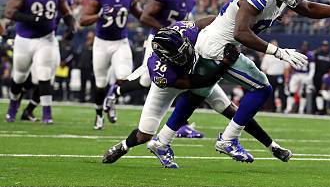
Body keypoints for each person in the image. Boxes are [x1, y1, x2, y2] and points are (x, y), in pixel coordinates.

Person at [193, 0, 330, 162]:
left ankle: (162, 140)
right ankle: (228, 139)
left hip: (221, 45)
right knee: (261, 88)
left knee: (197, 93)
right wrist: (279, 52)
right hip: (218, 46)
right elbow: (240, 32)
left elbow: (308, 8)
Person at [102, 19, 291, 168]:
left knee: (234, 112)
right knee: (145, 135)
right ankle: (122, 147)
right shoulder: (161, 70)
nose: (185, 53)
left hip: (198, 74)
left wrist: (220, 30)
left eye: (184, 48)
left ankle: (271, 146)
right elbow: (199, 83)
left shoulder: (186, 31)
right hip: (171, 86)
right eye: (178, 54)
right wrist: (224, 64)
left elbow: (211, 21)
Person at [103, 0, 201, 138]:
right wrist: (166, 30)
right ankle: (117, 91)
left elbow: (187, 19)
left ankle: (181, 125)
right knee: (147, 80)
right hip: (158, 41)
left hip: (177, 44)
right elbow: (145, 16)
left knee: (180, 77)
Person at [4, 0, 75, 123]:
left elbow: (66, 12)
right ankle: (13, 105)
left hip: (46, 39)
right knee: (19, 76)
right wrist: (34, 19)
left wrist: (71, 26)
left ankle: (47, 114)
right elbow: (9, 12)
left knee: (44, 75)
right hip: (24, 39)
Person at [79, 0, 143, 130]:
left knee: (124, 76)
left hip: (120, 42)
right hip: (101, 44)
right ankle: (99, 115)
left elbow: (138, 13)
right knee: (100, 83)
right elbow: (83, 20)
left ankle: (111, 99)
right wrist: (98, 15)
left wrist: (154, 21)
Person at [260, 39, 289, 112]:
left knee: (281, 93)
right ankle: (271, 108)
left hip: (280, 75)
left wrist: (286, 78)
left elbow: (286, 68)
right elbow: (264, 69)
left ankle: (283, 108)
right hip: (270, 76)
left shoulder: (282, 54)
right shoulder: (267, 56)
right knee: (270, 93)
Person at [285, 41, 314, 114]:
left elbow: (312, 68)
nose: (304, 47)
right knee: (292, 91)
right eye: (303, 46)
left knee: (303, 93)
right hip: (296, 74)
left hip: (305, 75)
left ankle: (301, 110)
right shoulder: (297, 53)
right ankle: (289, 108)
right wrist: (290, 75)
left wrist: (310, 77)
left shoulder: (310, 55)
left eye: (305, 46)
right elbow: (291, 65)